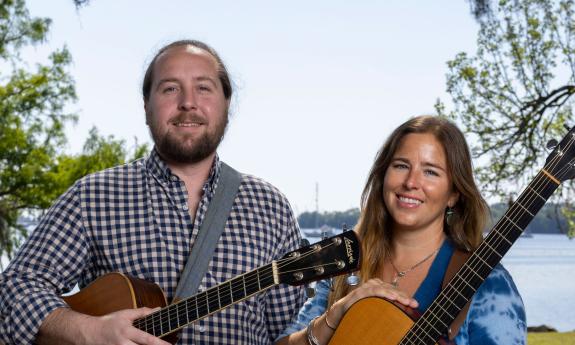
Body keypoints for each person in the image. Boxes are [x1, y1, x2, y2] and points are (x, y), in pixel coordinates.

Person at [0, 39, 305, 345]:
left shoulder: (271, 207)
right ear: (146, 106)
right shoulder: (93, 197)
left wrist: (331, 320)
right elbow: (13, 289)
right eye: (170, 88)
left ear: (226, 103)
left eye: (203, 88)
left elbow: (283, 334)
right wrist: (91, 331)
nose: (188, 102)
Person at [276, 115, 526, 345]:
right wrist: (336, 313)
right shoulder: (344, 266)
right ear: (383, 176)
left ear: (453, 194)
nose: (411, 182)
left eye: (430, 172)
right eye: (401, 166)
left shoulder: (488, 282)